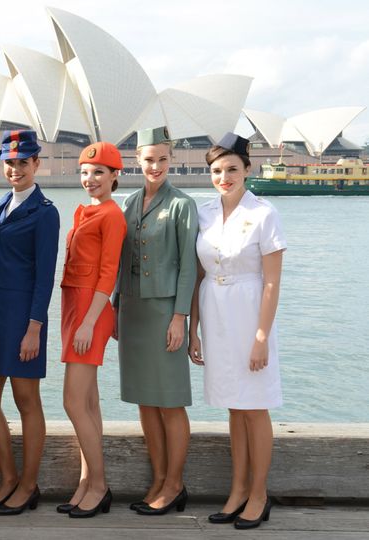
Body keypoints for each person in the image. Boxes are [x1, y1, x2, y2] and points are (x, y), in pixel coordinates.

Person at [189, 133, 286, 530]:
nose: (224, 177)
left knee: (254, 405)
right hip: (215, 311)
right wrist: (193, 328)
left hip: (249, 313)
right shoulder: (205, 213)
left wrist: (261, 335)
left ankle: (259, 494)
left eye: (232, 169)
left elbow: (271, 282)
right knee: (233, 404)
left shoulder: (264, 213)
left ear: (248, 169)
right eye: (216, 170)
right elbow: (197, 275)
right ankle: (237, 489)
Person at [0, 130, 60, 516]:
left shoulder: (46, 212)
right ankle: (8, 478)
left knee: (27, 401)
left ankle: (28, 485)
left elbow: (45, 277)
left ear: (36, 163)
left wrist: (34, 328)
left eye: (23, 162)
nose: (15, 169)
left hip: (23, 320)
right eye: (10, 162)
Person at [115, 126, 198, 515]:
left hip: (165, 312)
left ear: (171, 160)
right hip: (132, 311)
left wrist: (180, 317)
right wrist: (115, 309)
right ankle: (159, 478)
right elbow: (117, 263)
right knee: (145, 402)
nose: (156, 166)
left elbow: (188, 268)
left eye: (163, 159)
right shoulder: (128, 203)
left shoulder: (182, 205)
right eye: (149, 159)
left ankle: (175, 483)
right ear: (137, 160)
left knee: (171, 402)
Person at [58, 143, 127, 518]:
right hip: (75, 308)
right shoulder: (84, 211)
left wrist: (87, 322)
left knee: (72, 401)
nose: (91, 179)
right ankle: (86, 480)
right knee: (89, 403)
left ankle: (99, 485)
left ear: (115, 176)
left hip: (90, 312)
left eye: (99, 172)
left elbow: (108, 273)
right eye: (85, 172)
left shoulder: (112, 216)